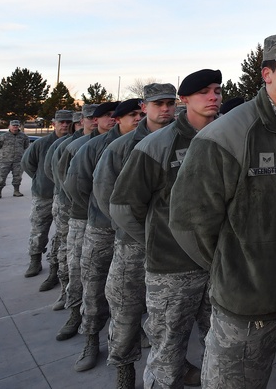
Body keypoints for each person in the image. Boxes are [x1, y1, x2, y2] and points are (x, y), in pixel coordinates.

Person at [170, 35, 276, 389]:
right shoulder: (227, 135)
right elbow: (190, 223)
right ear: (267, 74)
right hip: (246, 309)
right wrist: (238, 268)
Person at [112, 69, 223, 389]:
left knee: (219, 346)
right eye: (204, 91)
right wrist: (157, 242)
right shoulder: (159, 144)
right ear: (184, 100)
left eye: (217, 90)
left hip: (218, 265)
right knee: (167, 352)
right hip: (172, 270)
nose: (213, 96)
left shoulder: (227, 137)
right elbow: (122, 206)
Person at [94, 84, 178, 389]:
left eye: (170, 103)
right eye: (159, 104)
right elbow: (107, 198)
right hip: (134, 244)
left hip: (175, 247)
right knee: (126, 311)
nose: (166, 109)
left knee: (170, 316)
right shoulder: (123, 147)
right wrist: (142, 234)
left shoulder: (189, 141)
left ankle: (174, 367)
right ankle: (124, 370)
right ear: (144, 106)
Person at [63, 99, 141, 372]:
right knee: (94, 289)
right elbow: (76, 186)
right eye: (132, 115)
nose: (139, 119)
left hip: (134, 232)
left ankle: (127, 352)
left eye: (140, 114)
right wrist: (102, 212)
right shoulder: (92, 148)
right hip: (101, 229)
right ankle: (91, 340)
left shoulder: (146, 143)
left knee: (128, 295)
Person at [56, 101, 118, 343]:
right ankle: (78, 318)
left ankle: (124, 329)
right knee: (82, 273)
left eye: (115, 115)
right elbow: (69, 183)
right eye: (104, 116)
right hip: (87, 219)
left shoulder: (132, 144)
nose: (110, 119)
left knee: (120, 284)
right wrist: (94, 207)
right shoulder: (81, 147)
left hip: (122, 225)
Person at [47, 104, 99, 311]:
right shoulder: (70, 146)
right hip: (74, 209)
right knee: (70, 255)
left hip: (99, 214)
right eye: (90, 118)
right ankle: (68, 297)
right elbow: (57, 175)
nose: (94, 121)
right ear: (82, 121)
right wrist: (78, 201)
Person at [21, 109, 74, 282]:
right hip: (44, 195)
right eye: (61, 122)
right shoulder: (42, 143)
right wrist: (40, 180)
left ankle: (57, 265)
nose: (65, 125)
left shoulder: (75, 142)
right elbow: (27, 164)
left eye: (68, 122)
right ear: (54, 124)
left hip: (64, 196)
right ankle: (34, 260)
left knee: (61, 233)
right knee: (38, 230)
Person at [0, 120, 30, 199]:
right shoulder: (3, 136)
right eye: (13, 126)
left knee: (17, 177)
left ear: (18, 126)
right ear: (9, 126)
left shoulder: (23, 136)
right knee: (1, 178)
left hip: (18, 161)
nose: (15, 127)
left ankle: (16, 191)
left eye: (16, 126)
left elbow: (26, 146)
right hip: (4, 161)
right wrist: (4, 153)